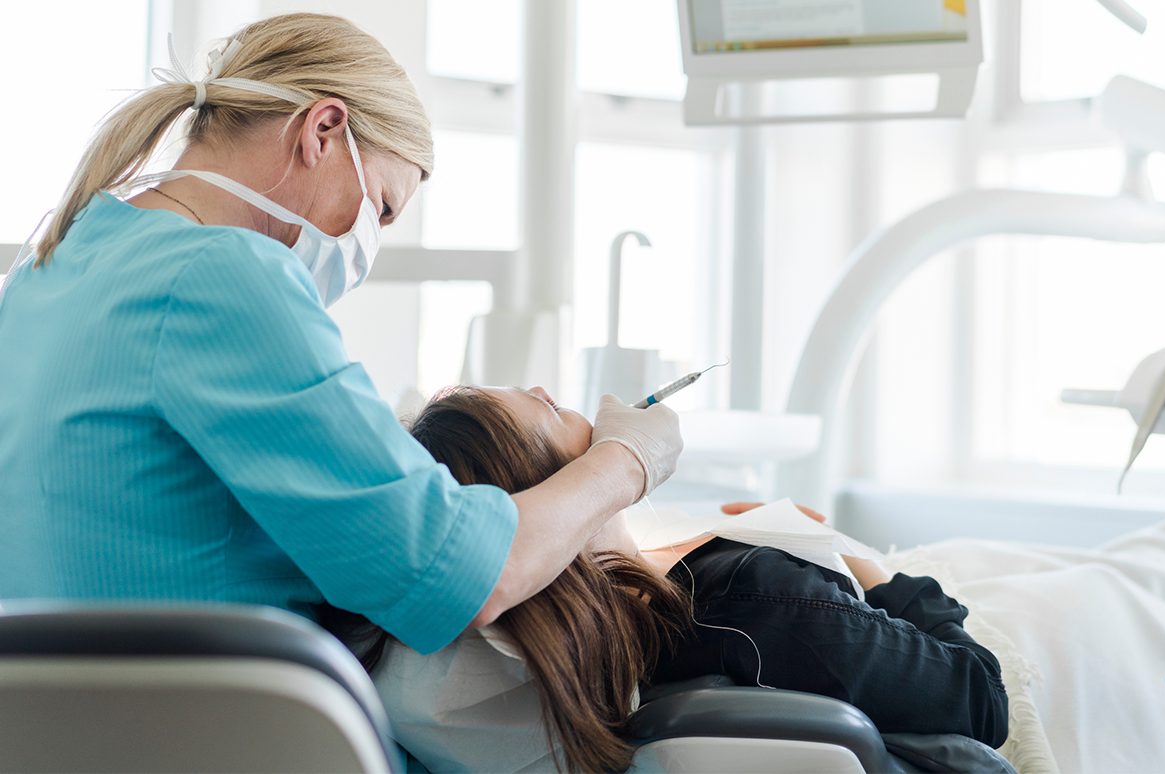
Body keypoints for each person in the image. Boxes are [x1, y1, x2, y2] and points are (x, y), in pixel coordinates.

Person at [0, 13, 681, 659]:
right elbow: (460, 572)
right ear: (322, 130)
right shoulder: (227, 276)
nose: (366, 245)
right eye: (381, 209)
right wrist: (623, 462)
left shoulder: (54, 261)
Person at [324, 385, 1008, 772]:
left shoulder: (431, 672)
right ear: (559, 491)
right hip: (991, 631)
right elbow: (983, 699)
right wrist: (859, 556)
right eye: (547, 407)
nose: (549, 390)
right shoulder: (758, 603)